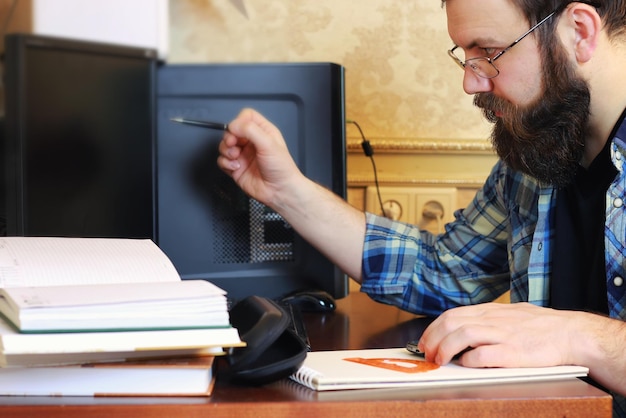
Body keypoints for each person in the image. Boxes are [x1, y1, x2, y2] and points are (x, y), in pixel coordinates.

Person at [218, 0, 626, 415]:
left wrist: (579, 336)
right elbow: (444, 273)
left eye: (488, 52)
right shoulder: (535, 155)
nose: (470, 83)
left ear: (580, 32)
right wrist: (286, 191)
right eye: (464, 56)